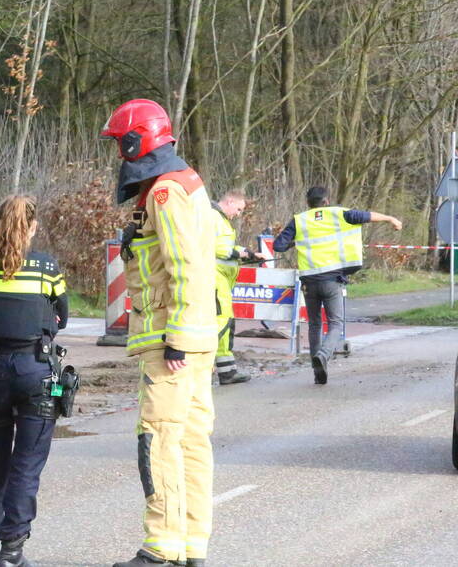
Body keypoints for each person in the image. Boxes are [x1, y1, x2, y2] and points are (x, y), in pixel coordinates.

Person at [101, 99, 217, 567]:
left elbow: (184, 265)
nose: (118, 153)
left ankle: (162, 545)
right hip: (196, 335)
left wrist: (176, 339)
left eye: (120, 143)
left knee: (159, 440)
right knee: (190, 442)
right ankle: (191, 544)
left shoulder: (165, 192)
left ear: (136, 142)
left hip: (172, 339)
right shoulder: (185, 182)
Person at [0, 195, 69, 567]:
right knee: (25, 465)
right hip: (35, 372)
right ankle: (12, 552)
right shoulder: (46, 268)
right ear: (33, 227)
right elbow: (62, 316)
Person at [272, 186, 402, 385]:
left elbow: (278, 246)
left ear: (308, 203)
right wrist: (390, 219)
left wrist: (298, 241)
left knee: (315, 324)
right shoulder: (339, 214)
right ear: (326, 201)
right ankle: (323, 355)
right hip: (331, 280)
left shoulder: (299, 220)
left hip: (309, 282)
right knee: (335, 323)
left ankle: (317, 371)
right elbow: (368, 216)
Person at [210, 190, 263, 385]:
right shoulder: (213, 217)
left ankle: (227, 371)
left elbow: (227, 248)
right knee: (220, 323)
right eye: (239, 209)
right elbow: (217, 248)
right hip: (214, 278)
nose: (239, 214)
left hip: (221, 280)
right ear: (230, 201)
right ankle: (202, 364)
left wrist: (248, 253)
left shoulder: (221, 220)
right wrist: (239, 254)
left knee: (226, 323)